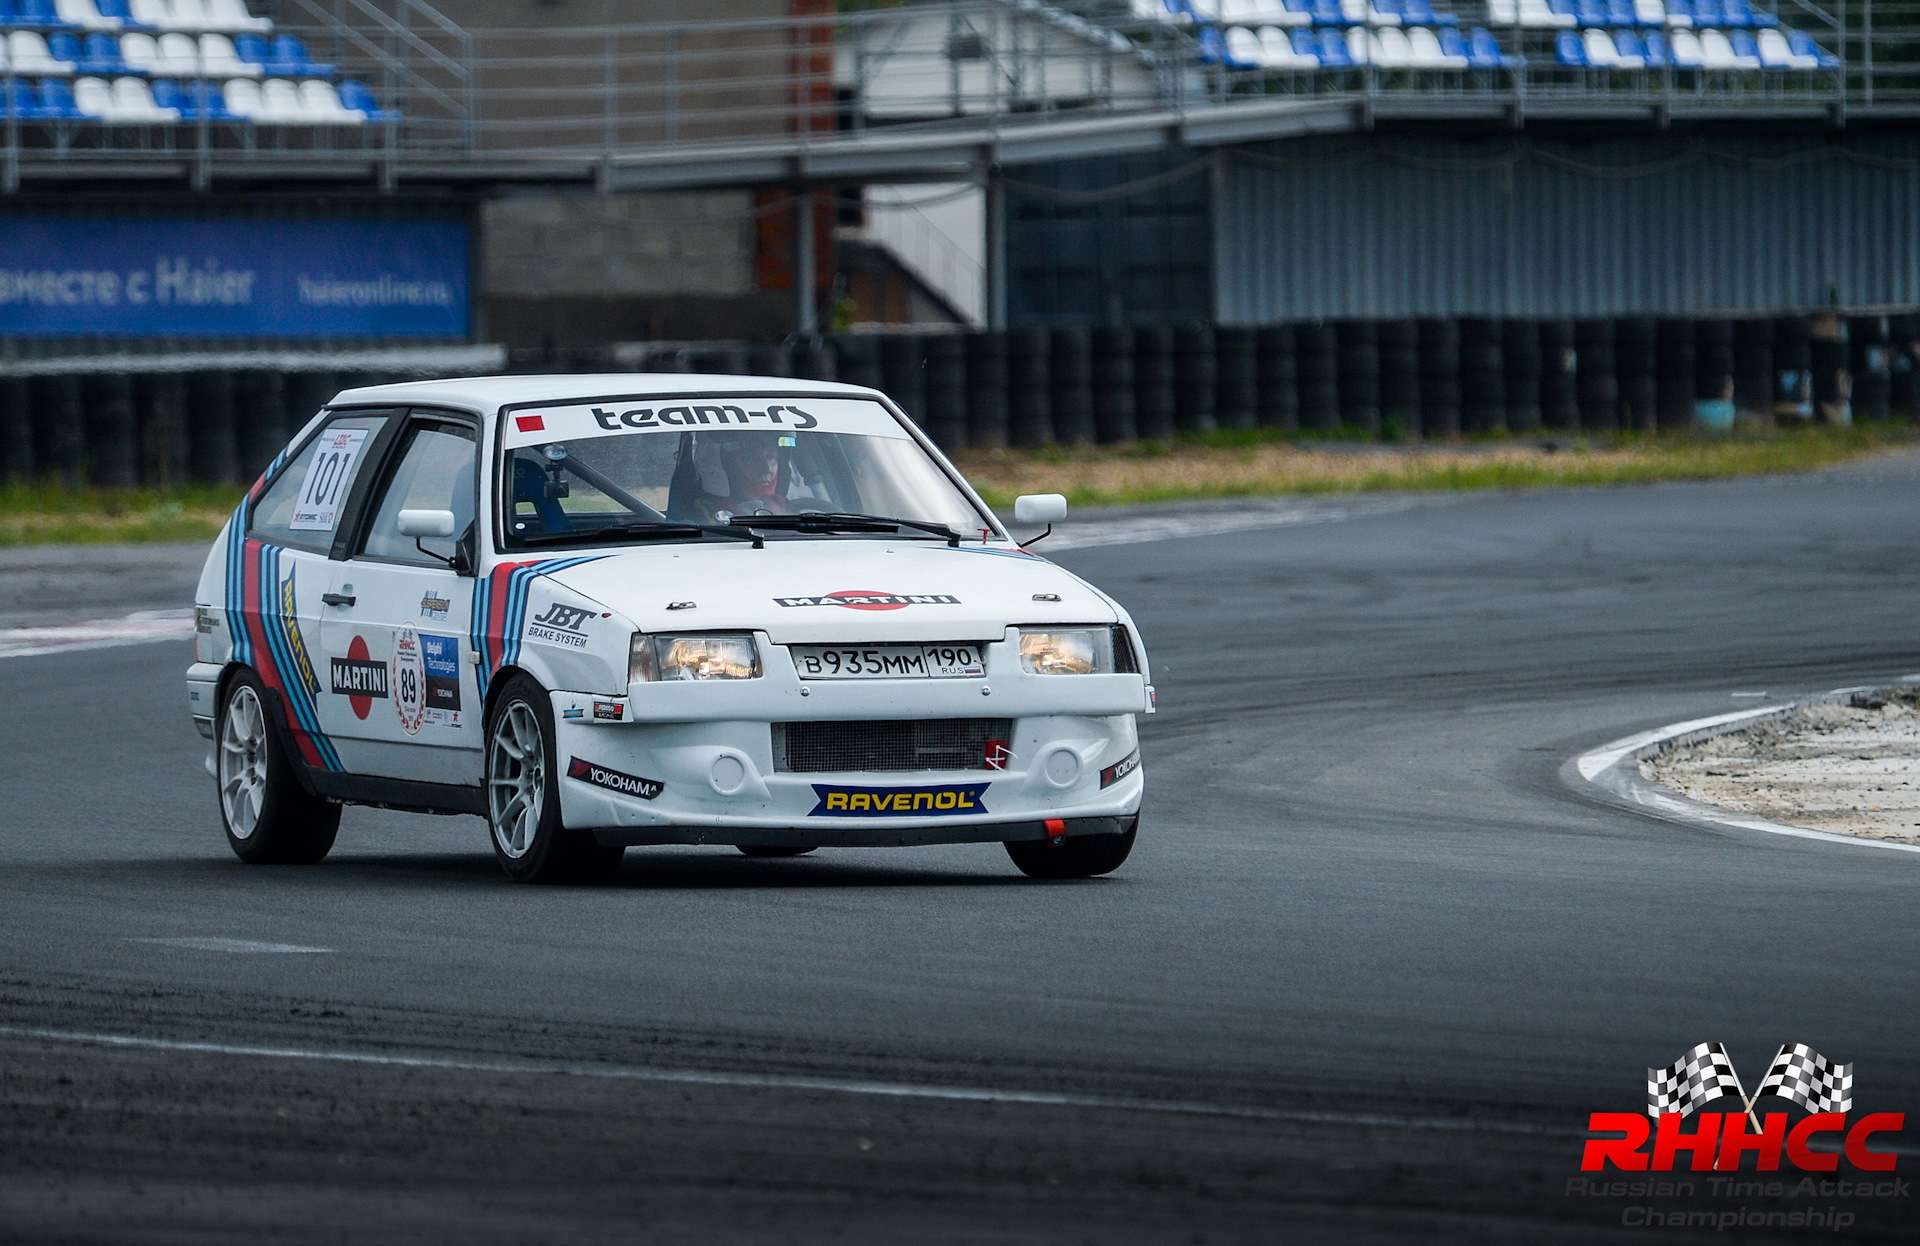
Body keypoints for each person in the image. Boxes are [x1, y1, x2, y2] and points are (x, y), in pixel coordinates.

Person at [693, 432, 790, 521]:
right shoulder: (700, 516)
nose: (767, 468)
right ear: (726, 466)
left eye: (771, 457)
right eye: (752, 459)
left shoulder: (784, 506)